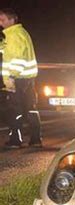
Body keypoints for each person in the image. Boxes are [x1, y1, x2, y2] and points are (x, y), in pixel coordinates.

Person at [0, 8, 42, 148]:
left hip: (17, 79)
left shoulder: (14, 35)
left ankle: (15, 140)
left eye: (3, 19)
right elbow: (10, 52)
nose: (1, 23)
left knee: (14, 110)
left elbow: (18, 59)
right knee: (30, 108)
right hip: (27, 79)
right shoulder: (20, 33)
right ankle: (36, 139)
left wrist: (12, 77)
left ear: (12, 20)